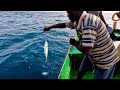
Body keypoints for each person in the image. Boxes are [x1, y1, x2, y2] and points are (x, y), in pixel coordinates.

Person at [44, 11, 120, 79]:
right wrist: (50, 27)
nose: (68, 15)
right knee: (80, 72)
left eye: (69, 12)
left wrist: (74, 43)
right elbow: (64, 24)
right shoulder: (78, 20)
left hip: (105, 60)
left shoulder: (88, 24)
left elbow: (87, 50)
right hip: (93, 55)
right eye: (67, 13)